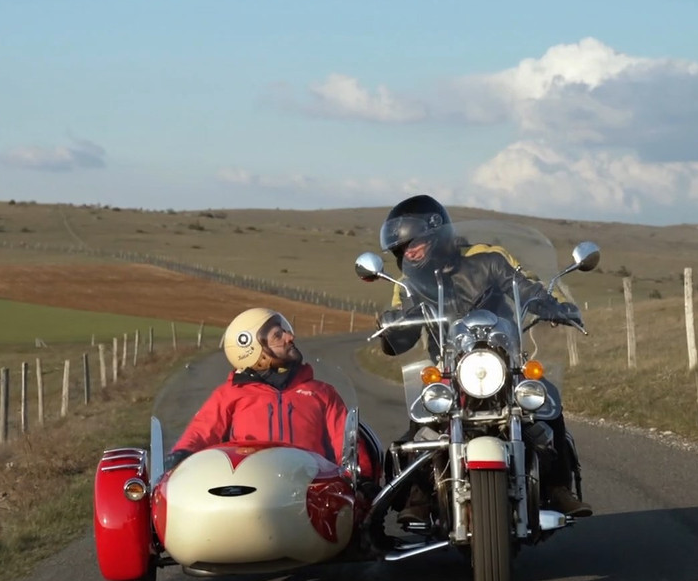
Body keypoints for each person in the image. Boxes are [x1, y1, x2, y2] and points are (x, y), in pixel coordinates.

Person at [374, 194, 592, 519]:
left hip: (503, 360)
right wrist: (391, 326)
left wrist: (554, 304)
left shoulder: (488, 258)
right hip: (448, 369)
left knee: (546, 401)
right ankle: (419, 496)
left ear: (436, 234)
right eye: (402, 250)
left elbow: (525, 285)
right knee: (423, 413)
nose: (409, 253)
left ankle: (558, 487)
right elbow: (400, 321)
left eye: (414, 244)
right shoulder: (408, 284)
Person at [167, 307, 380, 491]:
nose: (290, 337)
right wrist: (178, 460)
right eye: (278, 335)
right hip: (250, 491)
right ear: (253, 349)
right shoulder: (229, 394)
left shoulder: (322, 393)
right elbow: (200, 433)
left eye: (285, 331)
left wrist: (362, 478)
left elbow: (347, 442)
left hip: (310, 493)